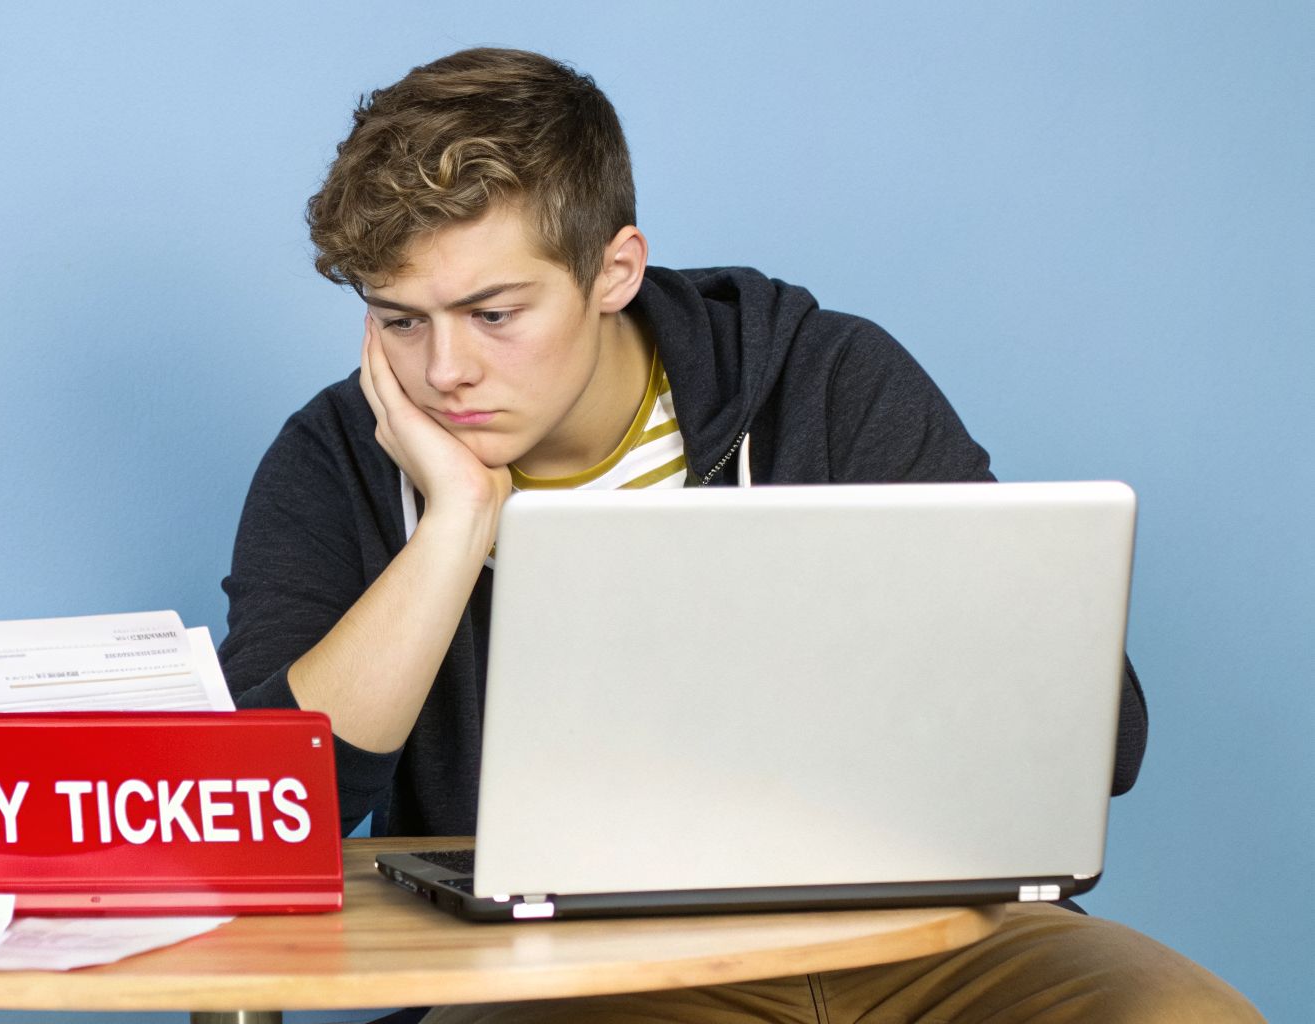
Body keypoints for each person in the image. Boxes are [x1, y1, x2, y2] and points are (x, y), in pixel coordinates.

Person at [219, 47, 1261, 1022]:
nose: (443, 371)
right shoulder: (336, 462)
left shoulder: (821, 382)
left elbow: (1101, 742)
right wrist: (453, 527)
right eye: (400, 319)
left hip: (919, 941)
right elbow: (261, 814)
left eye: (493, 314)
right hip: (554, 971)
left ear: (612, 270)